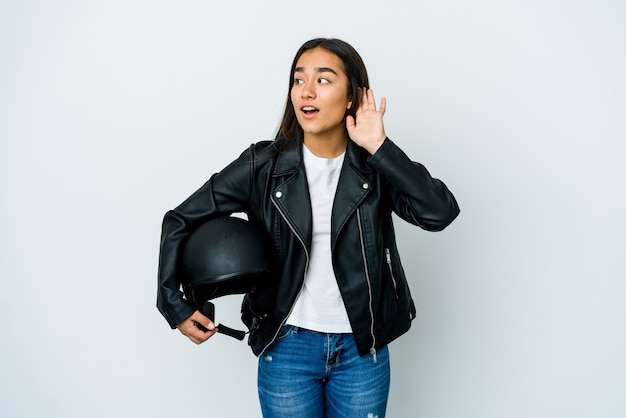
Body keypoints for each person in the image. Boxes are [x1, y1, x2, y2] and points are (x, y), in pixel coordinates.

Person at [157, 37, 460, 418]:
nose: (306, 91)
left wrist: (379, 146)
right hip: (287, 346)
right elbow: (180, 218)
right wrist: (175, 305)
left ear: (352, 96)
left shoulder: (374, 168)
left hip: (361, 348)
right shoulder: (262, 166)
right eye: (299, 80)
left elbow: (439, 213)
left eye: (323, 79)